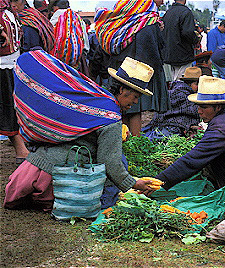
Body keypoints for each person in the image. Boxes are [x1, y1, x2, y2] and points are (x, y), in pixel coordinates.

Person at [4, 52, 157, 210]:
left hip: (34, 168)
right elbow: (110, 163)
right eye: (135, 96)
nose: (136, 102)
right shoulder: (111, 117)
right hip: (57, 176)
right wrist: (133, 183)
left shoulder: (96, 98)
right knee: (117, 166)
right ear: (122, 90)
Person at [155, 76, 225, 196]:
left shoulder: (221, 129)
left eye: (203, 107)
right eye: (198, 106)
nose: (199, 111)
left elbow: (193, 160)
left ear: (218, 107)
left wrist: (159, 181)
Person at [95, 0, 170, 137]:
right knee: (134, 109)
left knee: (122, 108)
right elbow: (150, 49)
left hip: (120, 67)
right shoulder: (147, 21)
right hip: (135, 70)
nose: (163, 1)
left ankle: (123, 140)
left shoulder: (123, 20)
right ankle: (133, 141)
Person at [0, 0, 29, 166]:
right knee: (7, 107)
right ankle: (20, 149)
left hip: (11, 64)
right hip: (2, 65)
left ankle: (21, 148)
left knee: (11, 106)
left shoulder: (7, 9)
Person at [141, 67, 202, 140]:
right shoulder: (184, 96)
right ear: (189, 84)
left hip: (158, 124)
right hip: (171, 127)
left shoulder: (173, 90)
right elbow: (196, 111)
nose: (199, 87)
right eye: (197, 84)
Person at [162, 0, 199, 82]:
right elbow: (187, 32)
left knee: (172, 81)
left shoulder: (168, 13)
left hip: (169, 53)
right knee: (181, 82)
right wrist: (195, 40)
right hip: (183, 53)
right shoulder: (185, 12)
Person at [49, 0, 89, 72]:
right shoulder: (79, 19)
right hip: (78, 60)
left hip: (58, 61)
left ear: (56, 7)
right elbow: (85, 41)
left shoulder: (56, 16)